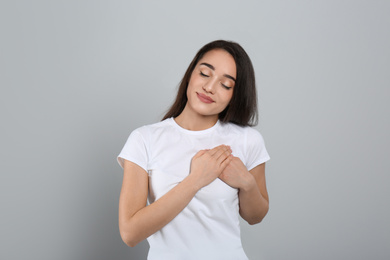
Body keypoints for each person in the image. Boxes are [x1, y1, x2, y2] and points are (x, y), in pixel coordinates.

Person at [117, 40, 270, 260]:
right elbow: (130, 233)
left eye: (225, 85)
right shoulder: (145, 139)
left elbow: (256, 216)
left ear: (234, 95)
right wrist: (196, 179)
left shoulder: (247, 140)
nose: (210, 87)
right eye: (205, 73)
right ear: (191, 74)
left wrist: (246, 183)